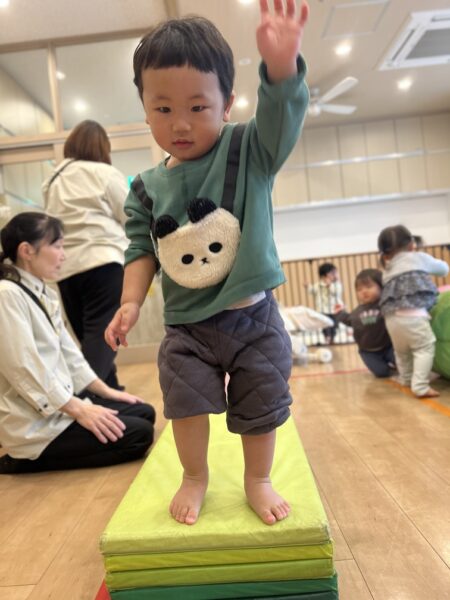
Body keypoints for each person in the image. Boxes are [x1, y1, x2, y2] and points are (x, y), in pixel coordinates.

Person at [105, 0, 310, 526]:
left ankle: (257, 479)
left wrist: (281, 69)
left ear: (227, 104)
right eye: (163, 109)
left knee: (261, 402)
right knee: (185, 404)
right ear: (145, 109)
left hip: (252, 317)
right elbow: (140, 248)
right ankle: (194, 476)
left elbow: (281, 118)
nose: (180, 123)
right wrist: (130, 302)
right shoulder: (145, 188)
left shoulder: (250, 150)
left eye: (198, 107)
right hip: (187, 328)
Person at [0, 212, 155, 474]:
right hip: (33, 424)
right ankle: (21, 459)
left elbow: (70, 355)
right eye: (57, 246)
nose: (64, 255)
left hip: (58, 406)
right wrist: (79, 410)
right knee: (139, 435)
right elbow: (23, 368)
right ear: (27, 251)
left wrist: (108, 393)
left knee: (143, 412)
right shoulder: (7, 295)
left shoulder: (42, 292)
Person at [43, 120, 129, 390]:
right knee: (103, 338)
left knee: (89, 338)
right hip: (103, 262)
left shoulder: (53, 180)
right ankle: (80, 398)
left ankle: (110, 394)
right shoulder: (104, 173)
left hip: (65, 268)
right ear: (103, 147)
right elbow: (130, 216)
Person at [378, 224, 449, 398]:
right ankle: (420, 385)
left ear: (385, 254)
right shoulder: (418, 258)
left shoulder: (387, 270)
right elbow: (444, 269)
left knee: (402, 352)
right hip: (413, 315)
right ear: (411, 245)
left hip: (391, 319)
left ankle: (406, 378)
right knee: (425, 348)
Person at [337, 269, 395, 378]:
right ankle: (388, 367)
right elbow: (349, 320)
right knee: (381, 373)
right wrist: (340, 313)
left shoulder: (385, 305)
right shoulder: (357, 311)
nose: (364, 291)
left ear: (381, 287)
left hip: (389, 346)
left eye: (369, 287)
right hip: (368, 352)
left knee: (403, 362)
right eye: (359, 289)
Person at [307, 262, 344, 344]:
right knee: (325, 324)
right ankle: (327, 337)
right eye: (332, 273)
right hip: (323, 309)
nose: (335, 275)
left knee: (334, 324)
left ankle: (332, 338)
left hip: (335, 309)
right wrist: (308, 287)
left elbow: (336, 292)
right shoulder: (318, 285)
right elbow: (313, 290)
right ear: (323, 276)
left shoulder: (337, 285)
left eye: (335, 273)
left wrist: (329, 285)